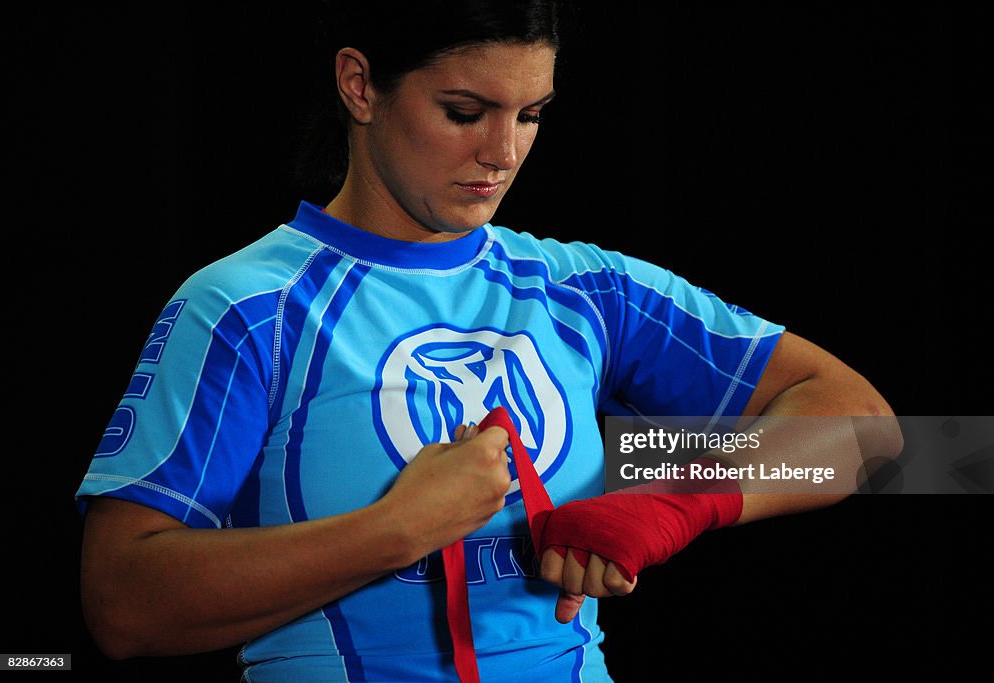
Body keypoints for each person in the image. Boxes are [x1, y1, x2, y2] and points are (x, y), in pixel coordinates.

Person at [76, 2, 903, 681]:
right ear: (359, 85)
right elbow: (122, 604)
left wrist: (673, 498)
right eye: (464, 113)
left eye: (531, 115)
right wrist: (397, 528)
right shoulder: (248, 305)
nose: (502, 154)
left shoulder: (585, 288)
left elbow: (867, 431)